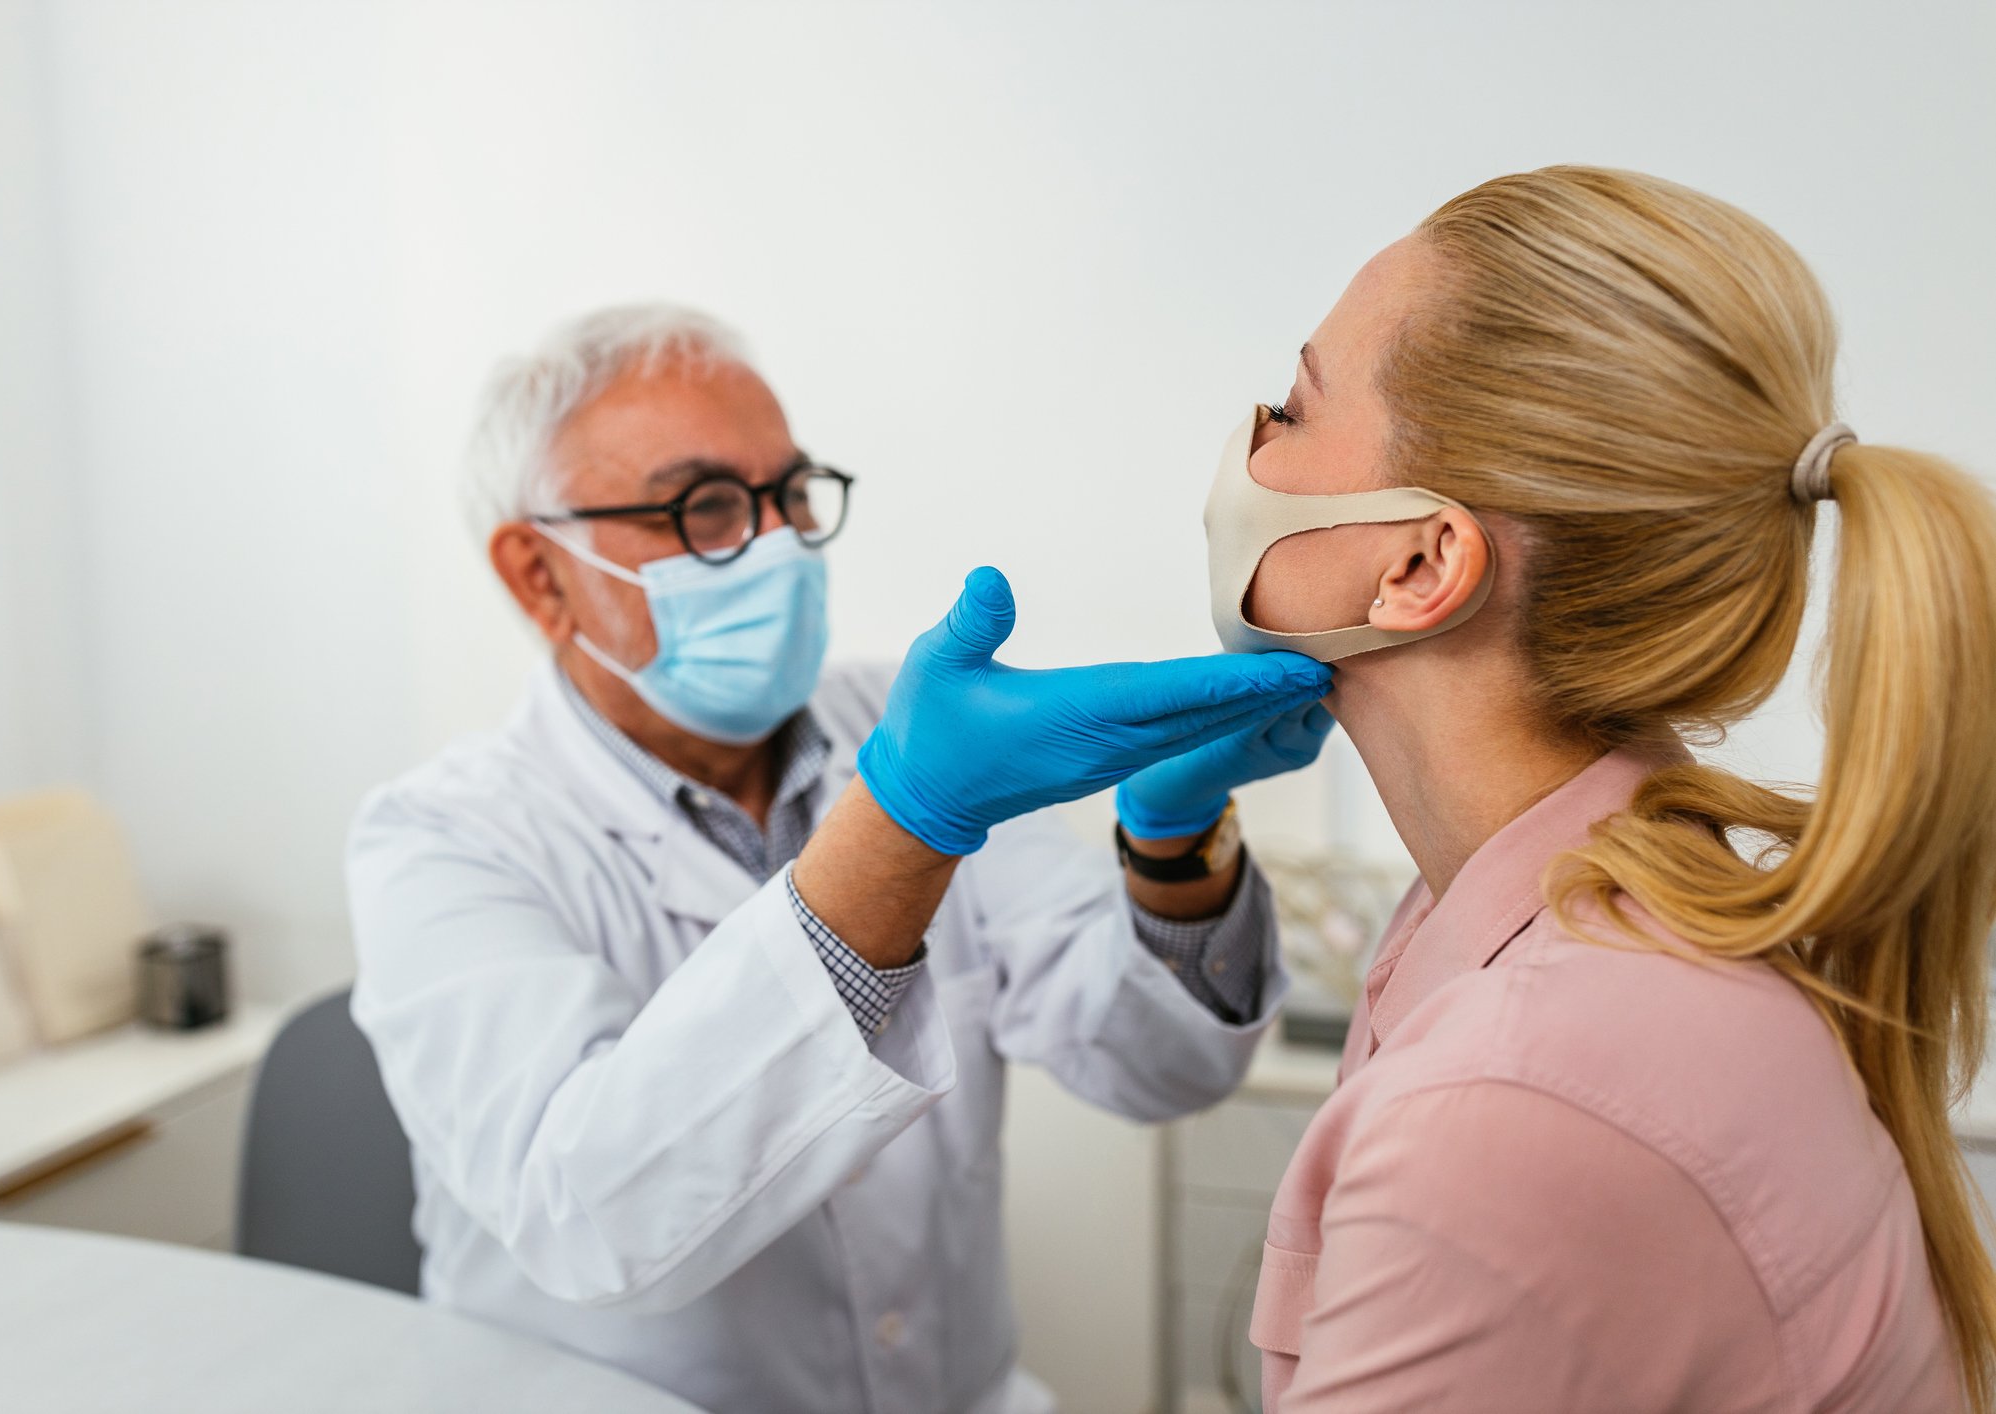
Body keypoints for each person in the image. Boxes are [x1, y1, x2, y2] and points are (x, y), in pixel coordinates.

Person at [345, 305, 1334, 1414]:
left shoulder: (902, 724)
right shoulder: (441, 842)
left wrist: (1170, 847)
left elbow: (1155, 1066)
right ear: (538, 573)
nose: (777, 542)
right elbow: (596, 1219)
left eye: (790, 493)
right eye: (705, 506)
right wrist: (901, 828)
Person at [1212, 165, 1996, 1411]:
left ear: (1421, 565)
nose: (1251, 442)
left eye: (1295, 411)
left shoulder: (1510, 1101)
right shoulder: (1544, 915)